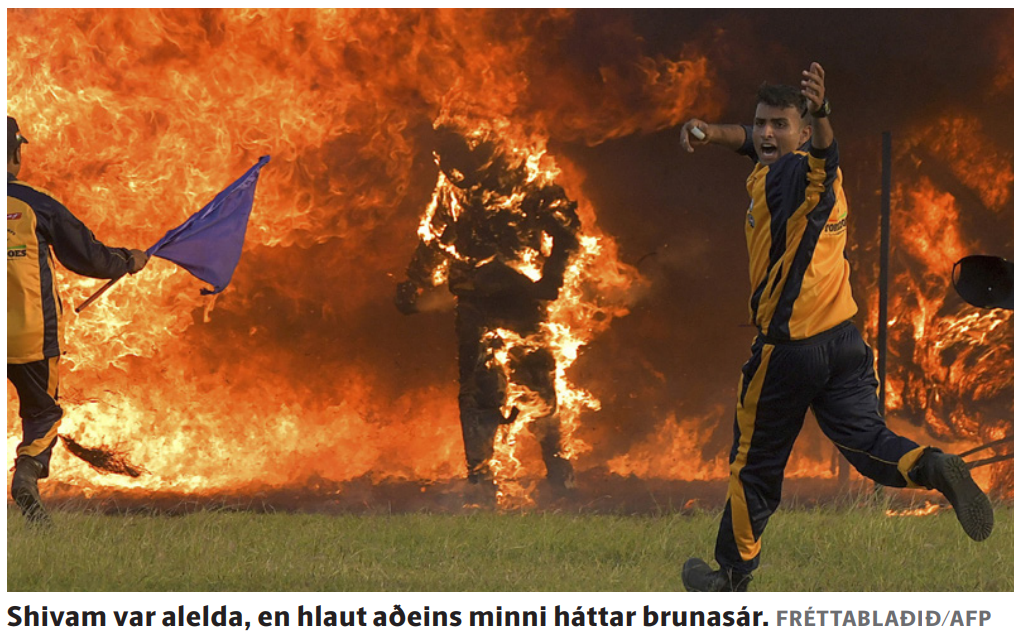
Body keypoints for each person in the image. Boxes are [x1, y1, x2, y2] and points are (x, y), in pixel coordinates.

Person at [675, 64, 994, 591]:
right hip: (843, 342)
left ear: (802, 133)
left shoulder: (803, 175)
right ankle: (934, 466)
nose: (767, 133)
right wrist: (711, 132)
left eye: (781, 124)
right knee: (869, 442)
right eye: (762, 123)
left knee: (753, 467)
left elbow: (825, 151)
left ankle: (729, 579)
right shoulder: (775, 159)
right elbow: (750, 143)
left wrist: (822, 112)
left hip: (789, 353)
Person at [395, 123, 580, 501]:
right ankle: (480, 478)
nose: (450, 170)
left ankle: (557, 467)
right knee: (478, 391)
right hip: (473, 300)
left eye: (455, 160)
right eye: (443, 162)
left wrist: (552, 277)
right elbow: (436, 235)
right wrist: (414, 281)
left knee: (538, 385)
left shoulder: (521, 177)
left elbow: (566, 226)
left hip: (520, 299)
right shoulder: (450, 187)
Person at [7, 116, 150, 524]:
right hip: (32, 337)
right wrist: (127, 261)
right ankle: (28, 471)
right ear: (16, 152)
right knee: (43, 414)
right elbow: (87, 256)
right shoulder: (36, 203)